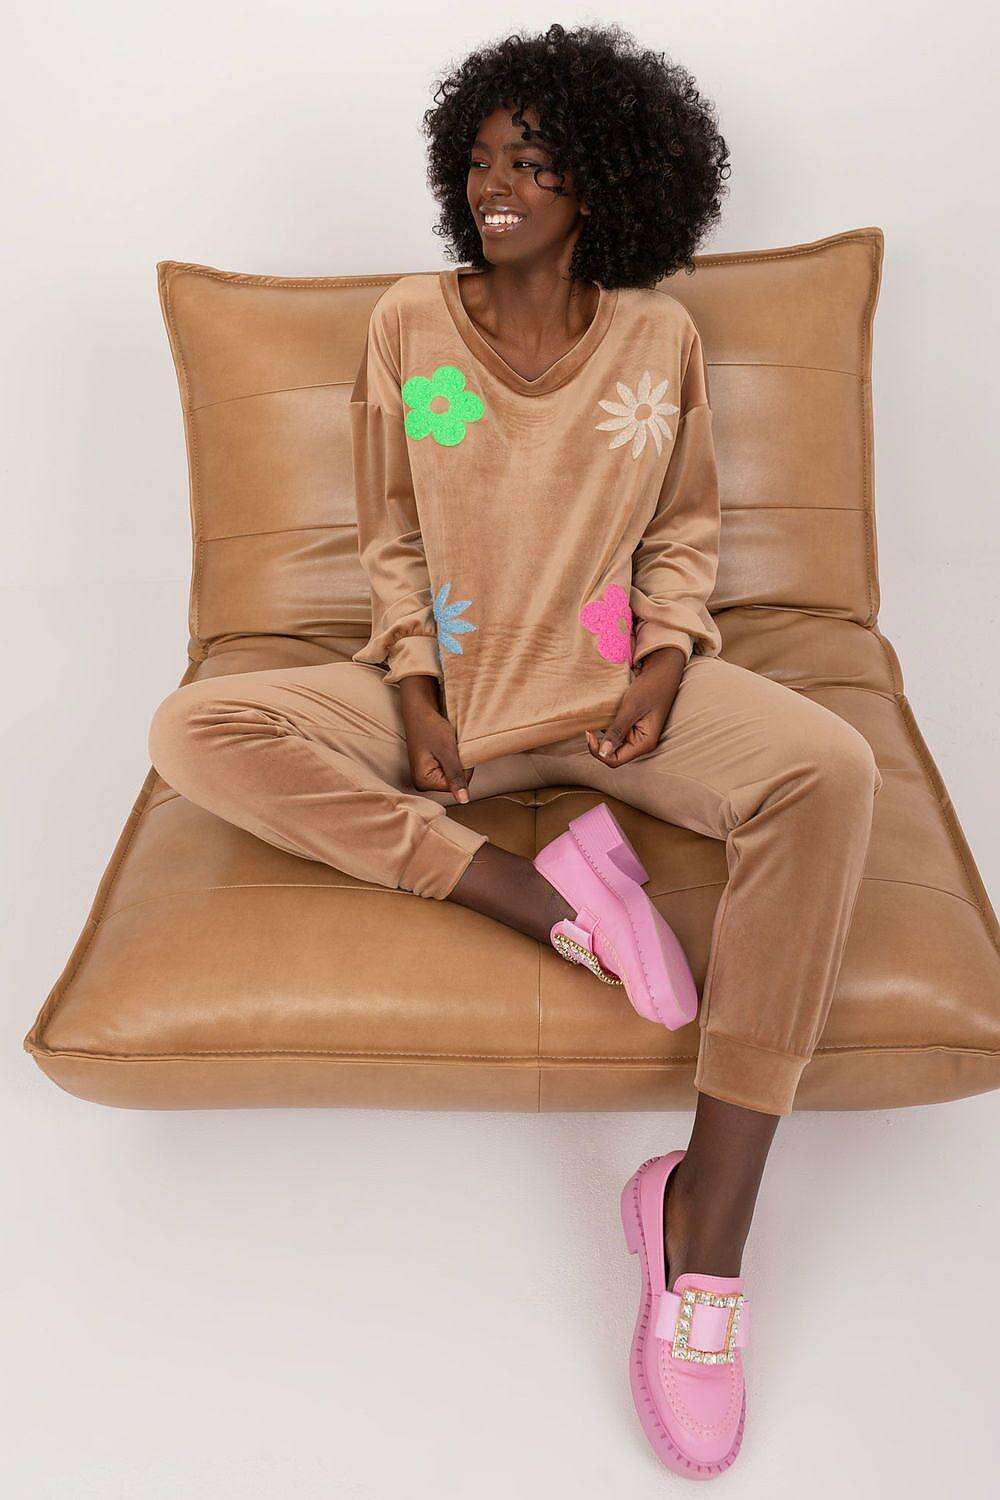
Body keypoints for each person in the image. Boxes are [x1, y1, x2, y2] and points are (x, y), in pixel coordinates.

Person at [147, 22, 881, 1479]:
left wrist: (665, 663)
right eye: (481, 158)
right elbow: (391, 533)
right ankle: (536, 894)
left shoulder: (657, 338)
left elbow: (682, 533)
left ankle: (705, 1224)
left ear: (603, 179)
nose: (496, 184)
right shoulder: (411, 325)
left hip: (615, 707)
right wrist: (416, 691)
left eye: (532, 161)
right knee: (196, 729)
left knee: (831, 772)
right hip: (451, 714)